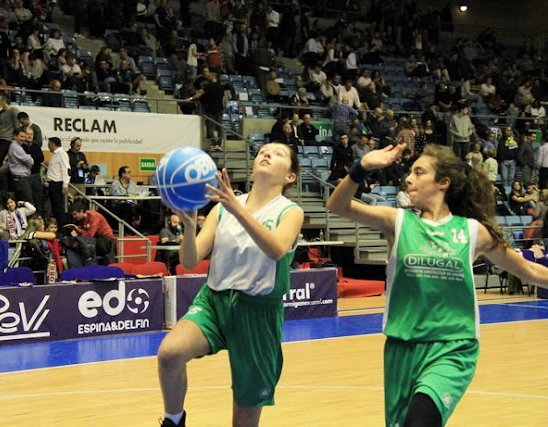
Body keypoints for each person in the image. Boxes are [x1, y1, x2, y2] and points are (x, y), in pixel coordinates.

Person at [327, 143, 548, 426]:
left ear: (443, 182)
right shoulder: (398, 222)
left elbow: (529, 270)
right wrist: (363, 167)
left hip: (452, 347)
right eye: (409, 172)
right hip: (402, 347)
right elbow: (337, 205)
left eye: (419, 172)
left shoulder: (471, 231)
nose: (409, 179)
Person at [158, 142, 304, 427]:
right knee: (170, 353)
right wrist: (189, 228)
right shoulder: (222, 209)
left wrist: (236, 208)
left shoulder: (290, 211)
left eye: (278, 154)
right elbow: (189, 261)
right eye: (262, 151)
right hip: (214, 302)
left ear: (290, 176)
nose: (267, 154)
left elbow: (276, 249)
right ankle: (173, 421)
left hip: (258, 311)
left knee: (244, 418)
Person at [66, 199, 116, 265]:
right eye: (73, 215)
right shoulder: (81, 219)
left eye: (75, 214)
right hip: (96, 239)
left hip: (106, 239)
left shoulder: (93, 216)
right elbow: (86, 232)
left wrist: (77, 229)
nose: (74, 217)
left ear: (81, 211)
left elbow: (90, 235)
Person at [46, 137, 70, 226]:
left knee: (59, 208)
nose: (48, 147)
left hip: (57, 184)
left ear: (53, 144)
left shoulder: (62, 154)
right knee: (55, 208)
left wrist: (65, 184)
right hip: (52, 184)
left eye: (49, 145)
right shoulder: (55, 155)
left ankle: (63, 228)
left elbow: (66, 169)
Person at [8, 128, 34, 204]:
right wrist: (30, 159)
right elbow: (30, 161)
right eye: (21, 136)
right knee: (28, 204)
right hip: (20, 179)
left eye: (24, 137)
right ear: (15, 136)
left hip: (20, 179)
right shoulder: (15, 147)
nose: (23, 139)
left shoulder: (18, 146)